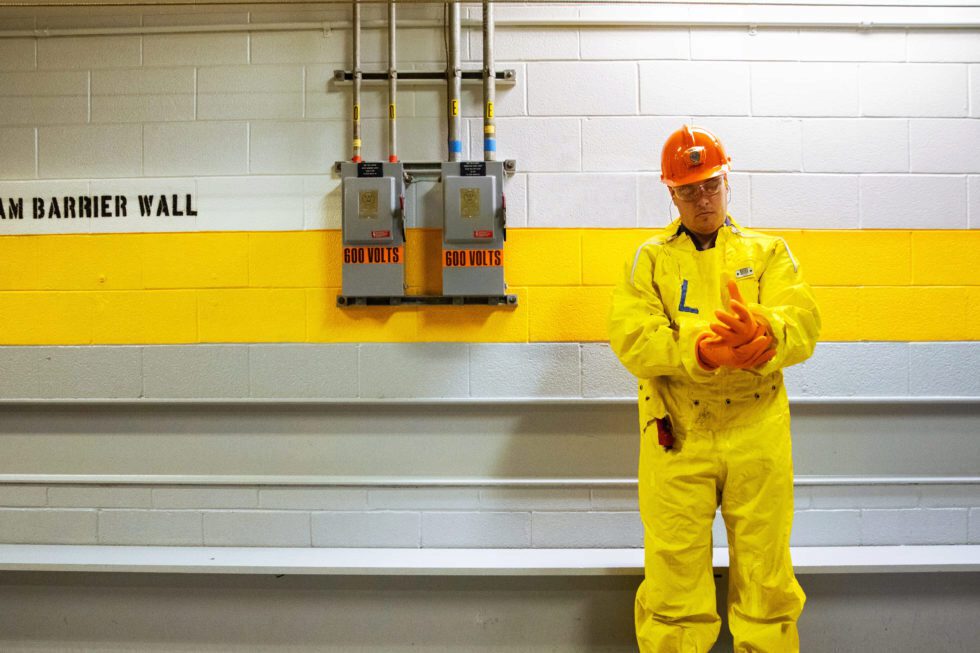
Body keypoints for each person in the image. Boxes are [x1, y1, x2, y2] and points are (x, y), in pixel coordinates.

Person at [608, 125, 821, 653]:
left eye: (710, 185)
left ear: (728, 183)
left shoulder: (769, 252)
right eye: (689, 190)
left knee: (766, 572)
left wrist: (765, 336)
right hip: (677, 434)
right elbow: (633, 338)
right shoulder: (651, 259)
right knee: (674, 576)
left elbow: (803, 320)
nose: (702, 199)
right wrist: (702, 352)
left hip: (758, 430)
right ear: (671, 193)